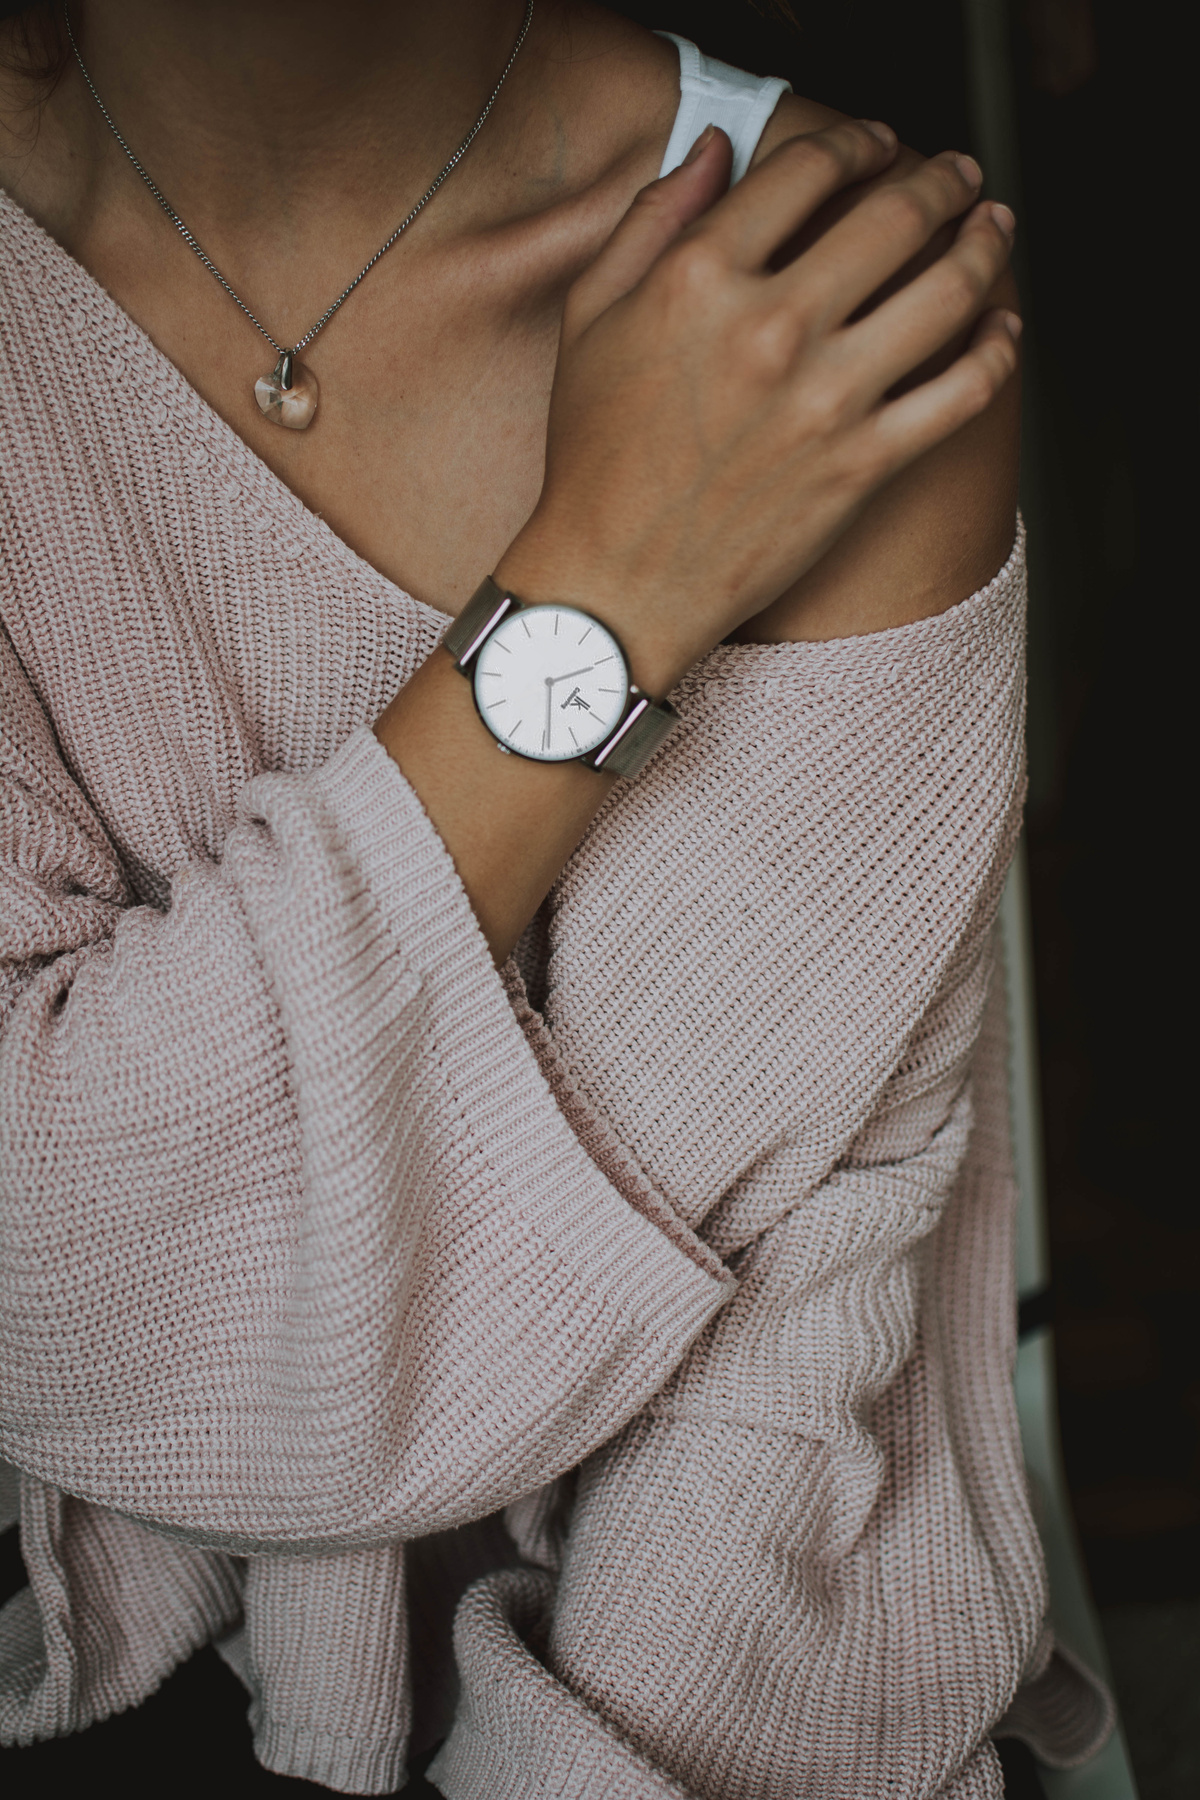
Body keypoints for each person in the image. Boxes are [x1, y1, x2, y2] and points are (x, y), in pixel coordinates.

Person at [0, 1, 1111, 1794]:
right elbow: (49, 1289)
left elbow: (782, 1339)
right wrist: (604, 585)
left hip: (707, 1668)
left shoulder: (809, 298)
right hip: (101, 1635)